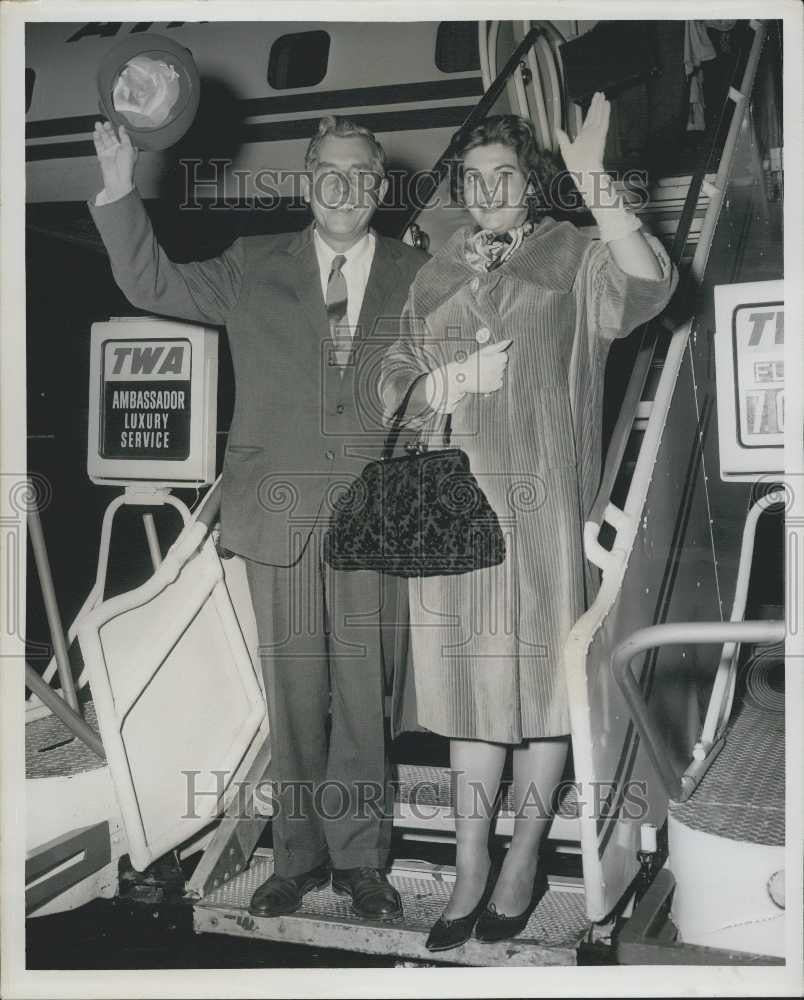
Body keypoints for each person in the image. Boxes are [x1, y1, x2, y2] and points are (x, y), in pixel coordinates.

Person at [89, 115, 428, 921]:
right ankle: (297, 857)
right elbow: (150, 284)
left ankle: (362, 863)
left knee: (362, 695)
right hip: (277, 516)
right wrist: (117, 188)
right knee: (293, 695)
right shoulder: (251, 262)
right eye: (329, 171)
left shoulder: (422, 274)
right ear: (309, 181)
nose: (345, 186)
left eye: (362, 173)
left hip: (374, 520)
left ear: (380, 188)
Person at [380, 94, 677, 950]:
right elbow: (387, 380)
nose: (486, 190)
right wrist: (431, 386)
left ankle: (524, 858)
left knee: (545, 696)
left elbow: (654, 285)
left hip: (544, 518)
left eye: (504, 174)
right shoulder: (432, 272)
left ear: (532, 182)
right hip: (454, 519)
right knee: (470, 700)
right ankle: (472, 862)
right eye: (472, 178)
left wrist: (597, 185)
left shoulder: (576, 257)